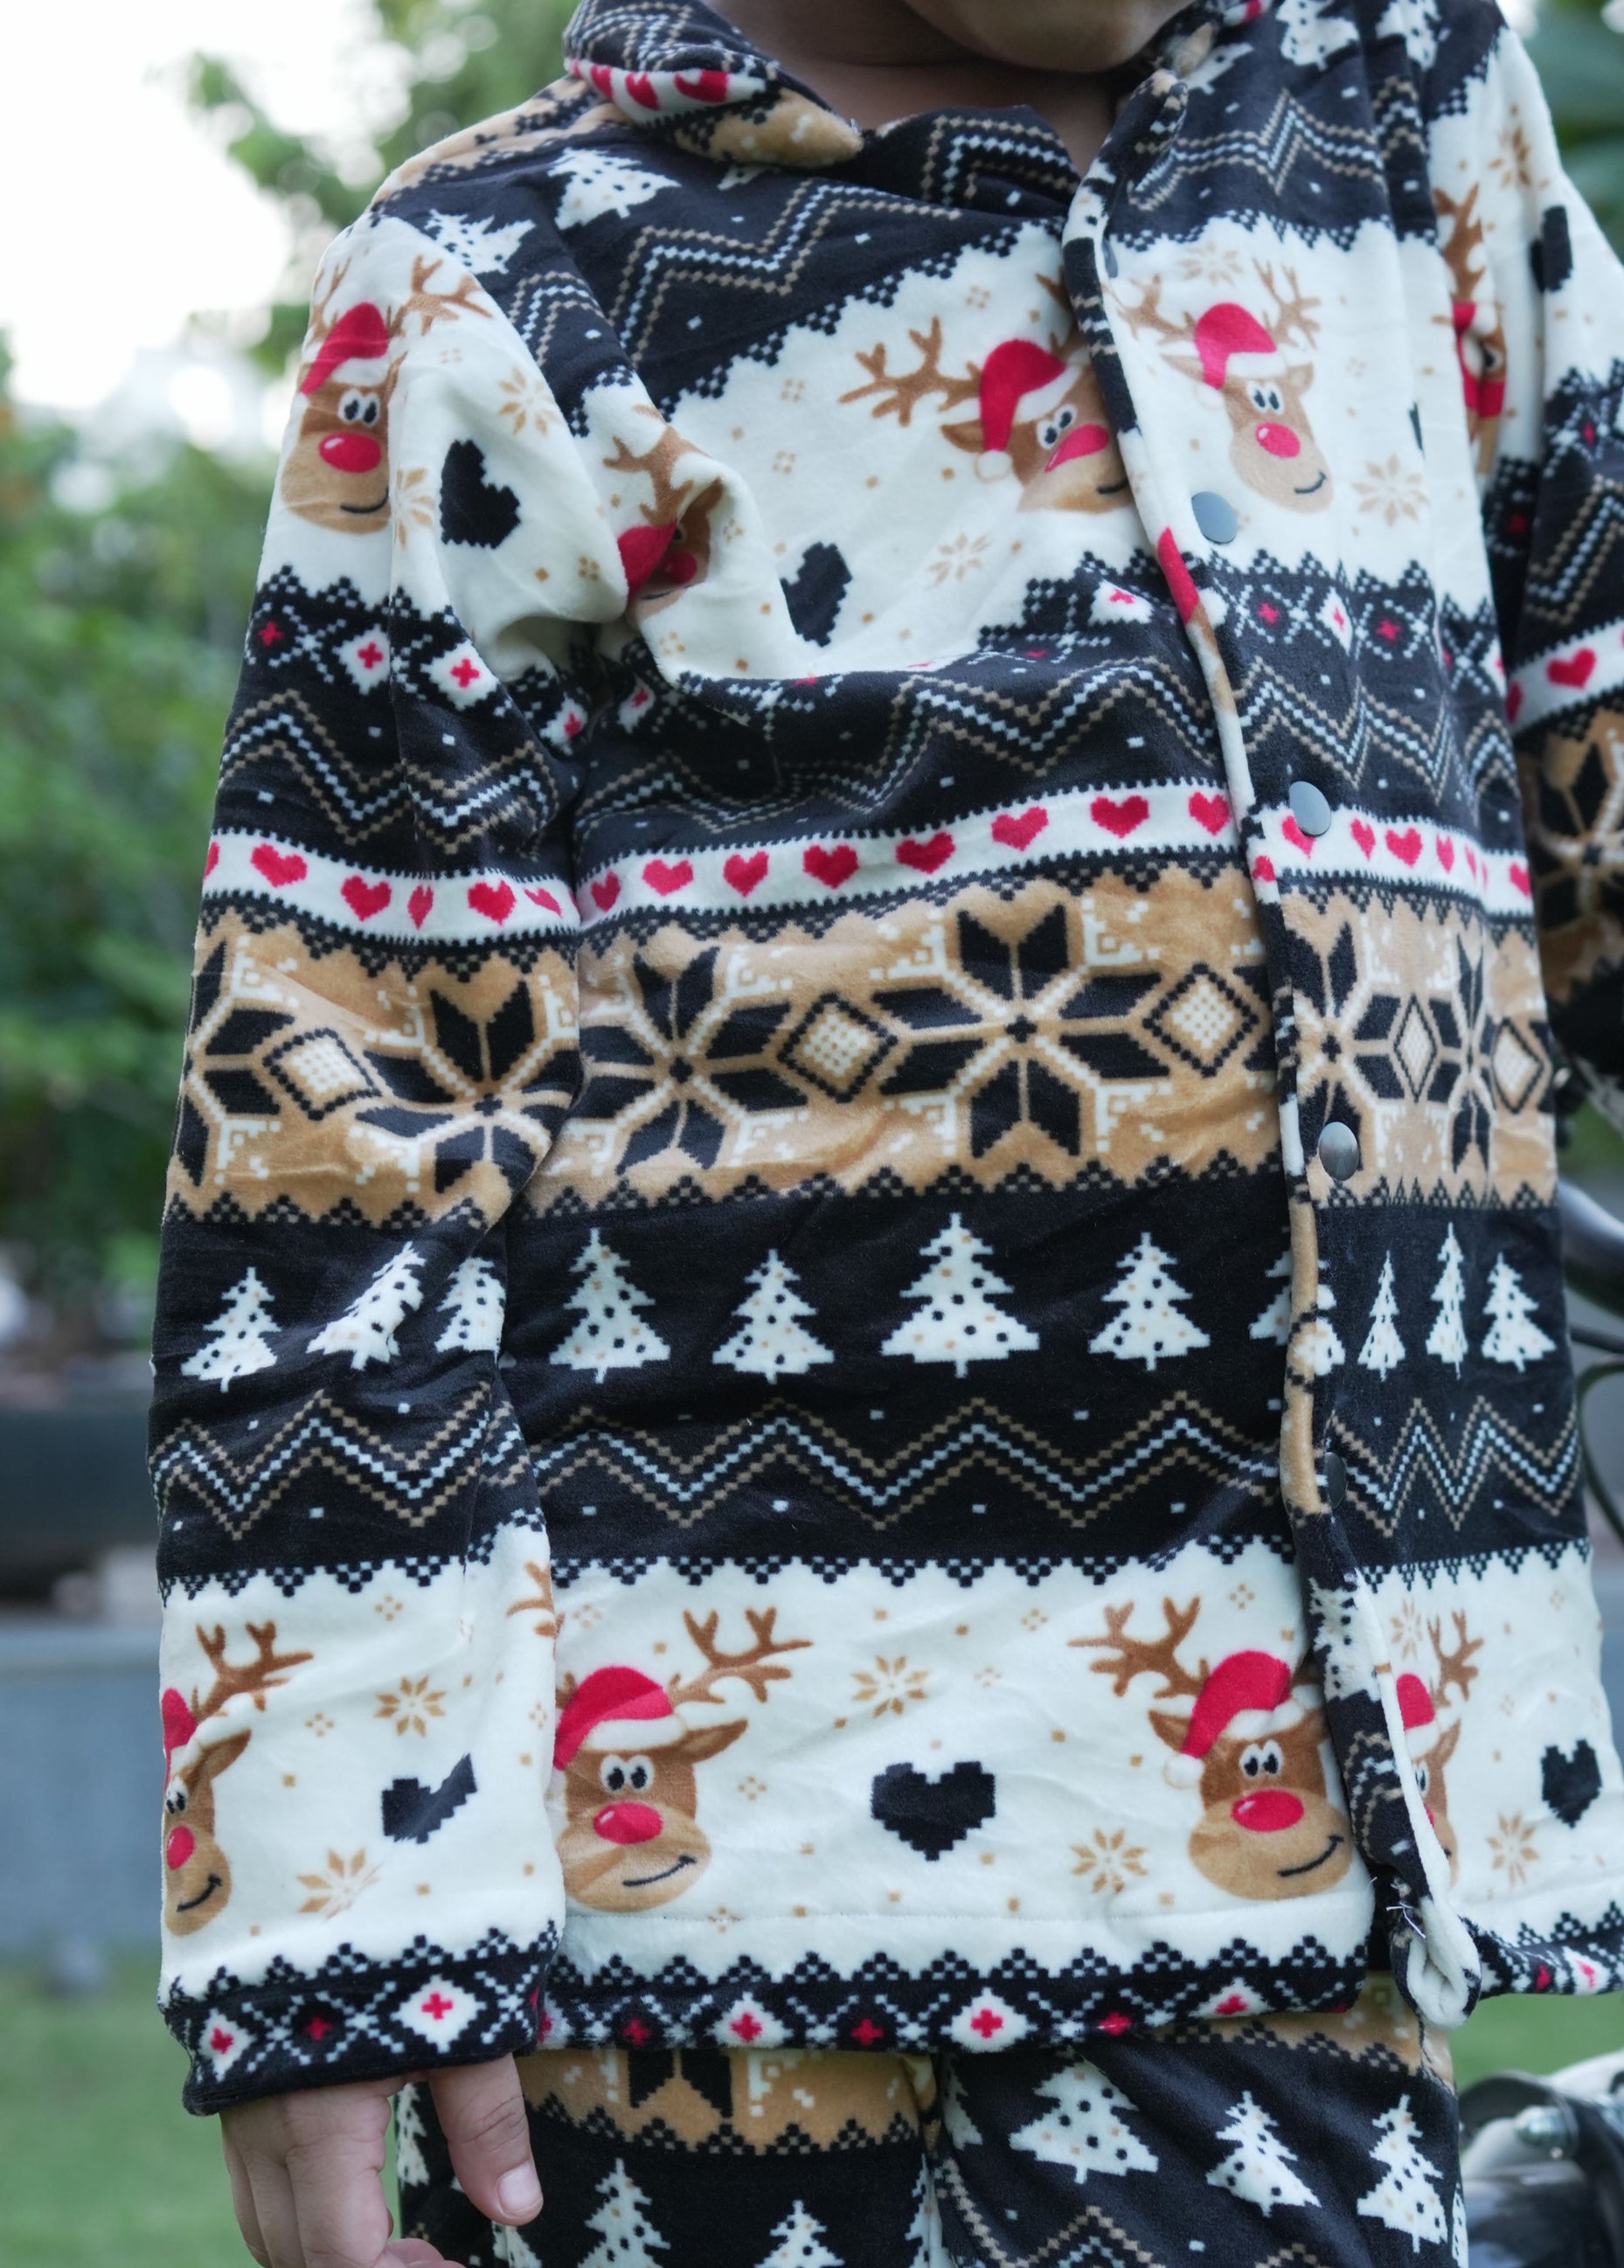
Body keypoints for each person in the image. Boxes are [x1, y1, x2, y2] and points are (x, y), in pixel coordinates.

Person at [147, 0, 1624, 2261]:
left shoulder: (1394, 116)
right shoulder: (512, 276)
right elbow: (331, 1156)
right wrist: (325, 1909)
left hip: (1300, 1913)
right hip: (697, 1956)